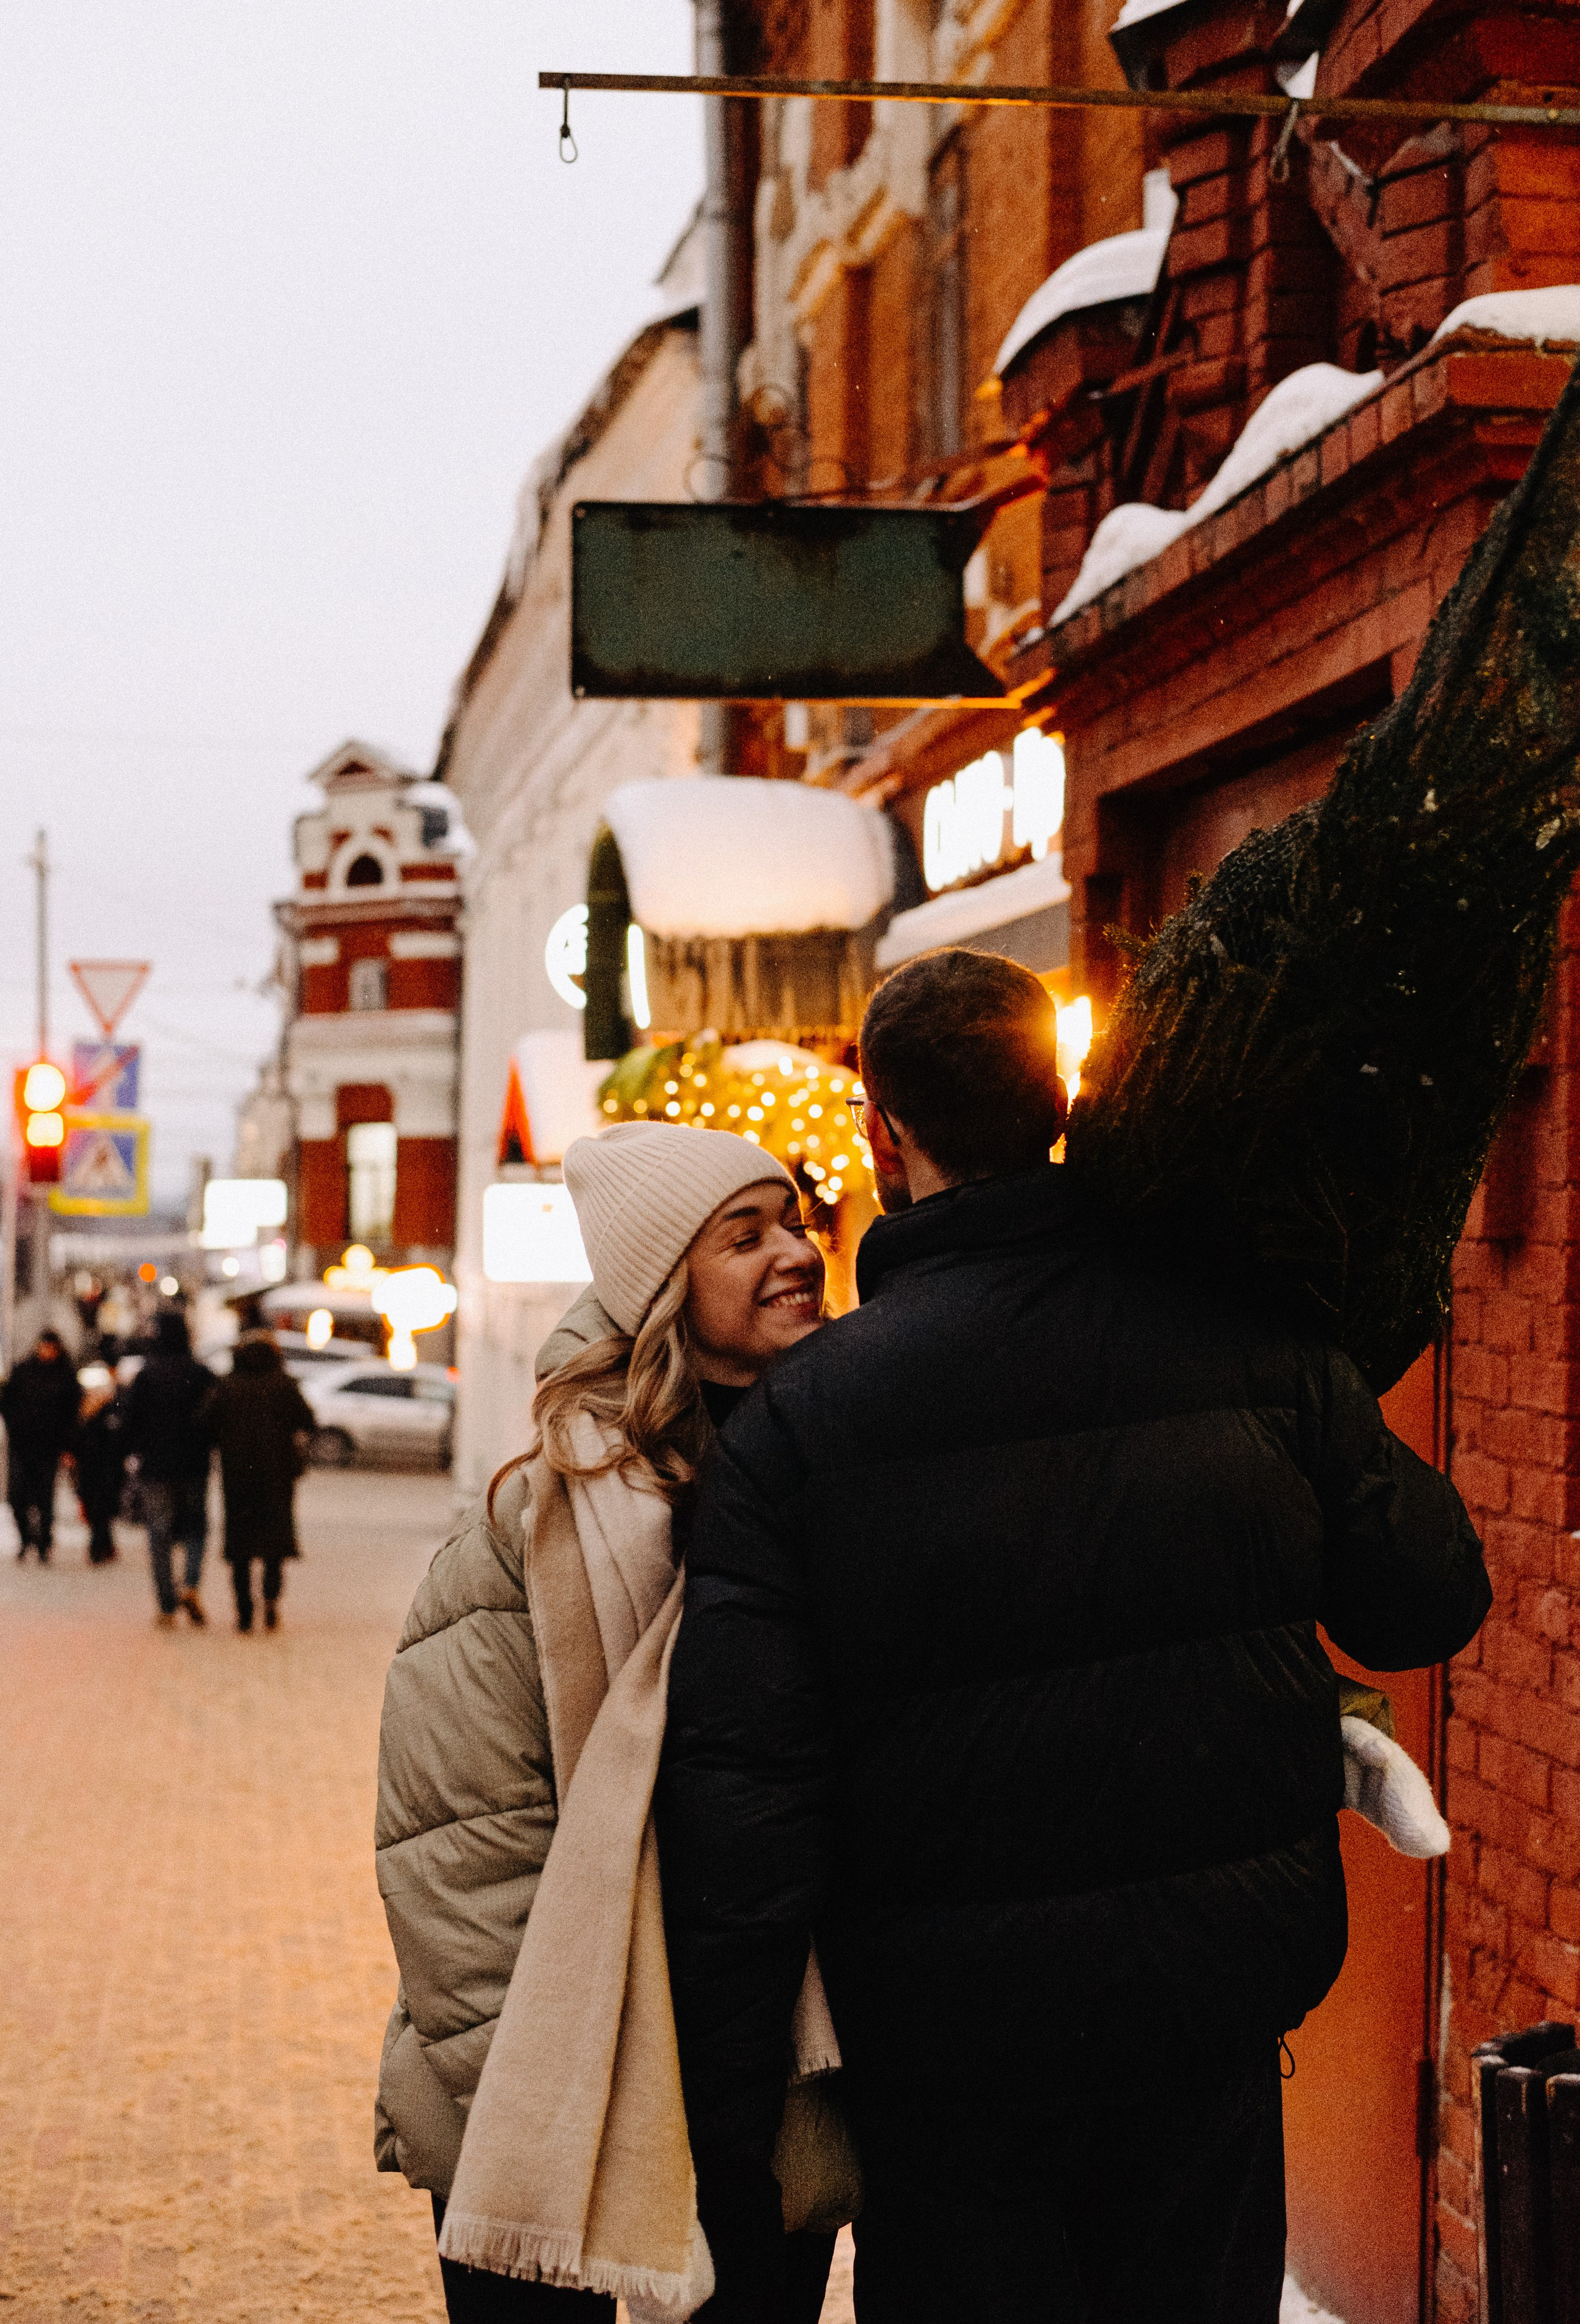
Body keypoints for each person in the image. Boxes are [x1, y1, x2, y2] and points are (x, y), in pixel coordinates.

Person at [655, 947, 1494, 2323]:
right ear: (1061, 1101)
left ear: (883, 1131)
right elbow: (1427, 1599)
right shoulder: (1246, 1331)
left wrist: (732, 2108)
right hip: (1206, 2020)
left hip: (946, 2060)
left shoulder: (805, 1424)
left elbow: (747, 1793)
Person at [375, 1124, 844, 2323]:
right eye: (743, 1236)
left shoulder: (849, 1483)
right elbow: (459, 1843)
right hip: (552, 2067)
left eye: (790, 1219)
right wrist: (542, 2104)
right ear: (660, 1288)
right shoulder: (535, 1519)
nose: (794, 1251)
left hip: (764, 2081)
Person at [204, 1330, 316, 1631]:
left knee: (240, 1546)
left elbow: (206, 1424)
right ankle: (270, 1602)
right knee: (273, 1545)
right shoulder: (284, 1385)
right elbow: (308, 1421)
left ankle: (244, 1611)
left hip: (238, 1476)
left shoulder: (228, 1385)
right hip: (277, 1477)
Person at [122, 1308, 217, 1627]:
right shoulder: (201, 1372)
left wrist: (132, 1453)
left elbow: (130, 1419)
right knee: (195, 1528)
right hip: (194, 1464)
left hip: (156, 1466)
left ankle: (165, 1603)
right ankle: (190, 1583)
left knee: (159, 1533)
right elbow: (213, 1417)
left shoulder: (147, 1373)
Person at [1, 1328, 81, 1561]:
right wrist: (16, 1427)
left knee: (45, 1498)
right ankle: (26, 1539)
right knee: (18, 1497)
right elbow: (7, 1403)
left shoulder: (65, 1375)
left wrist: (69, 1447)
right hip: (22, 1445)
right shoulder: (23, 1371)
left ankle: (44, 1543)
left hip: (49, 1447)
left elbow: (71, 1415)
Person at [73, 1364, 130, 1564]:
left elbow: (118, 1442)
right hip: (91, 1470)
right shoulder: (83, 1415)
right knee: (96, 1510)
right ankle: (104, 1546)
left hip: (106, 1470)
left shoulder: (111, 1414)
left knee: (101, 1509)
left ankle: (99, 1547)